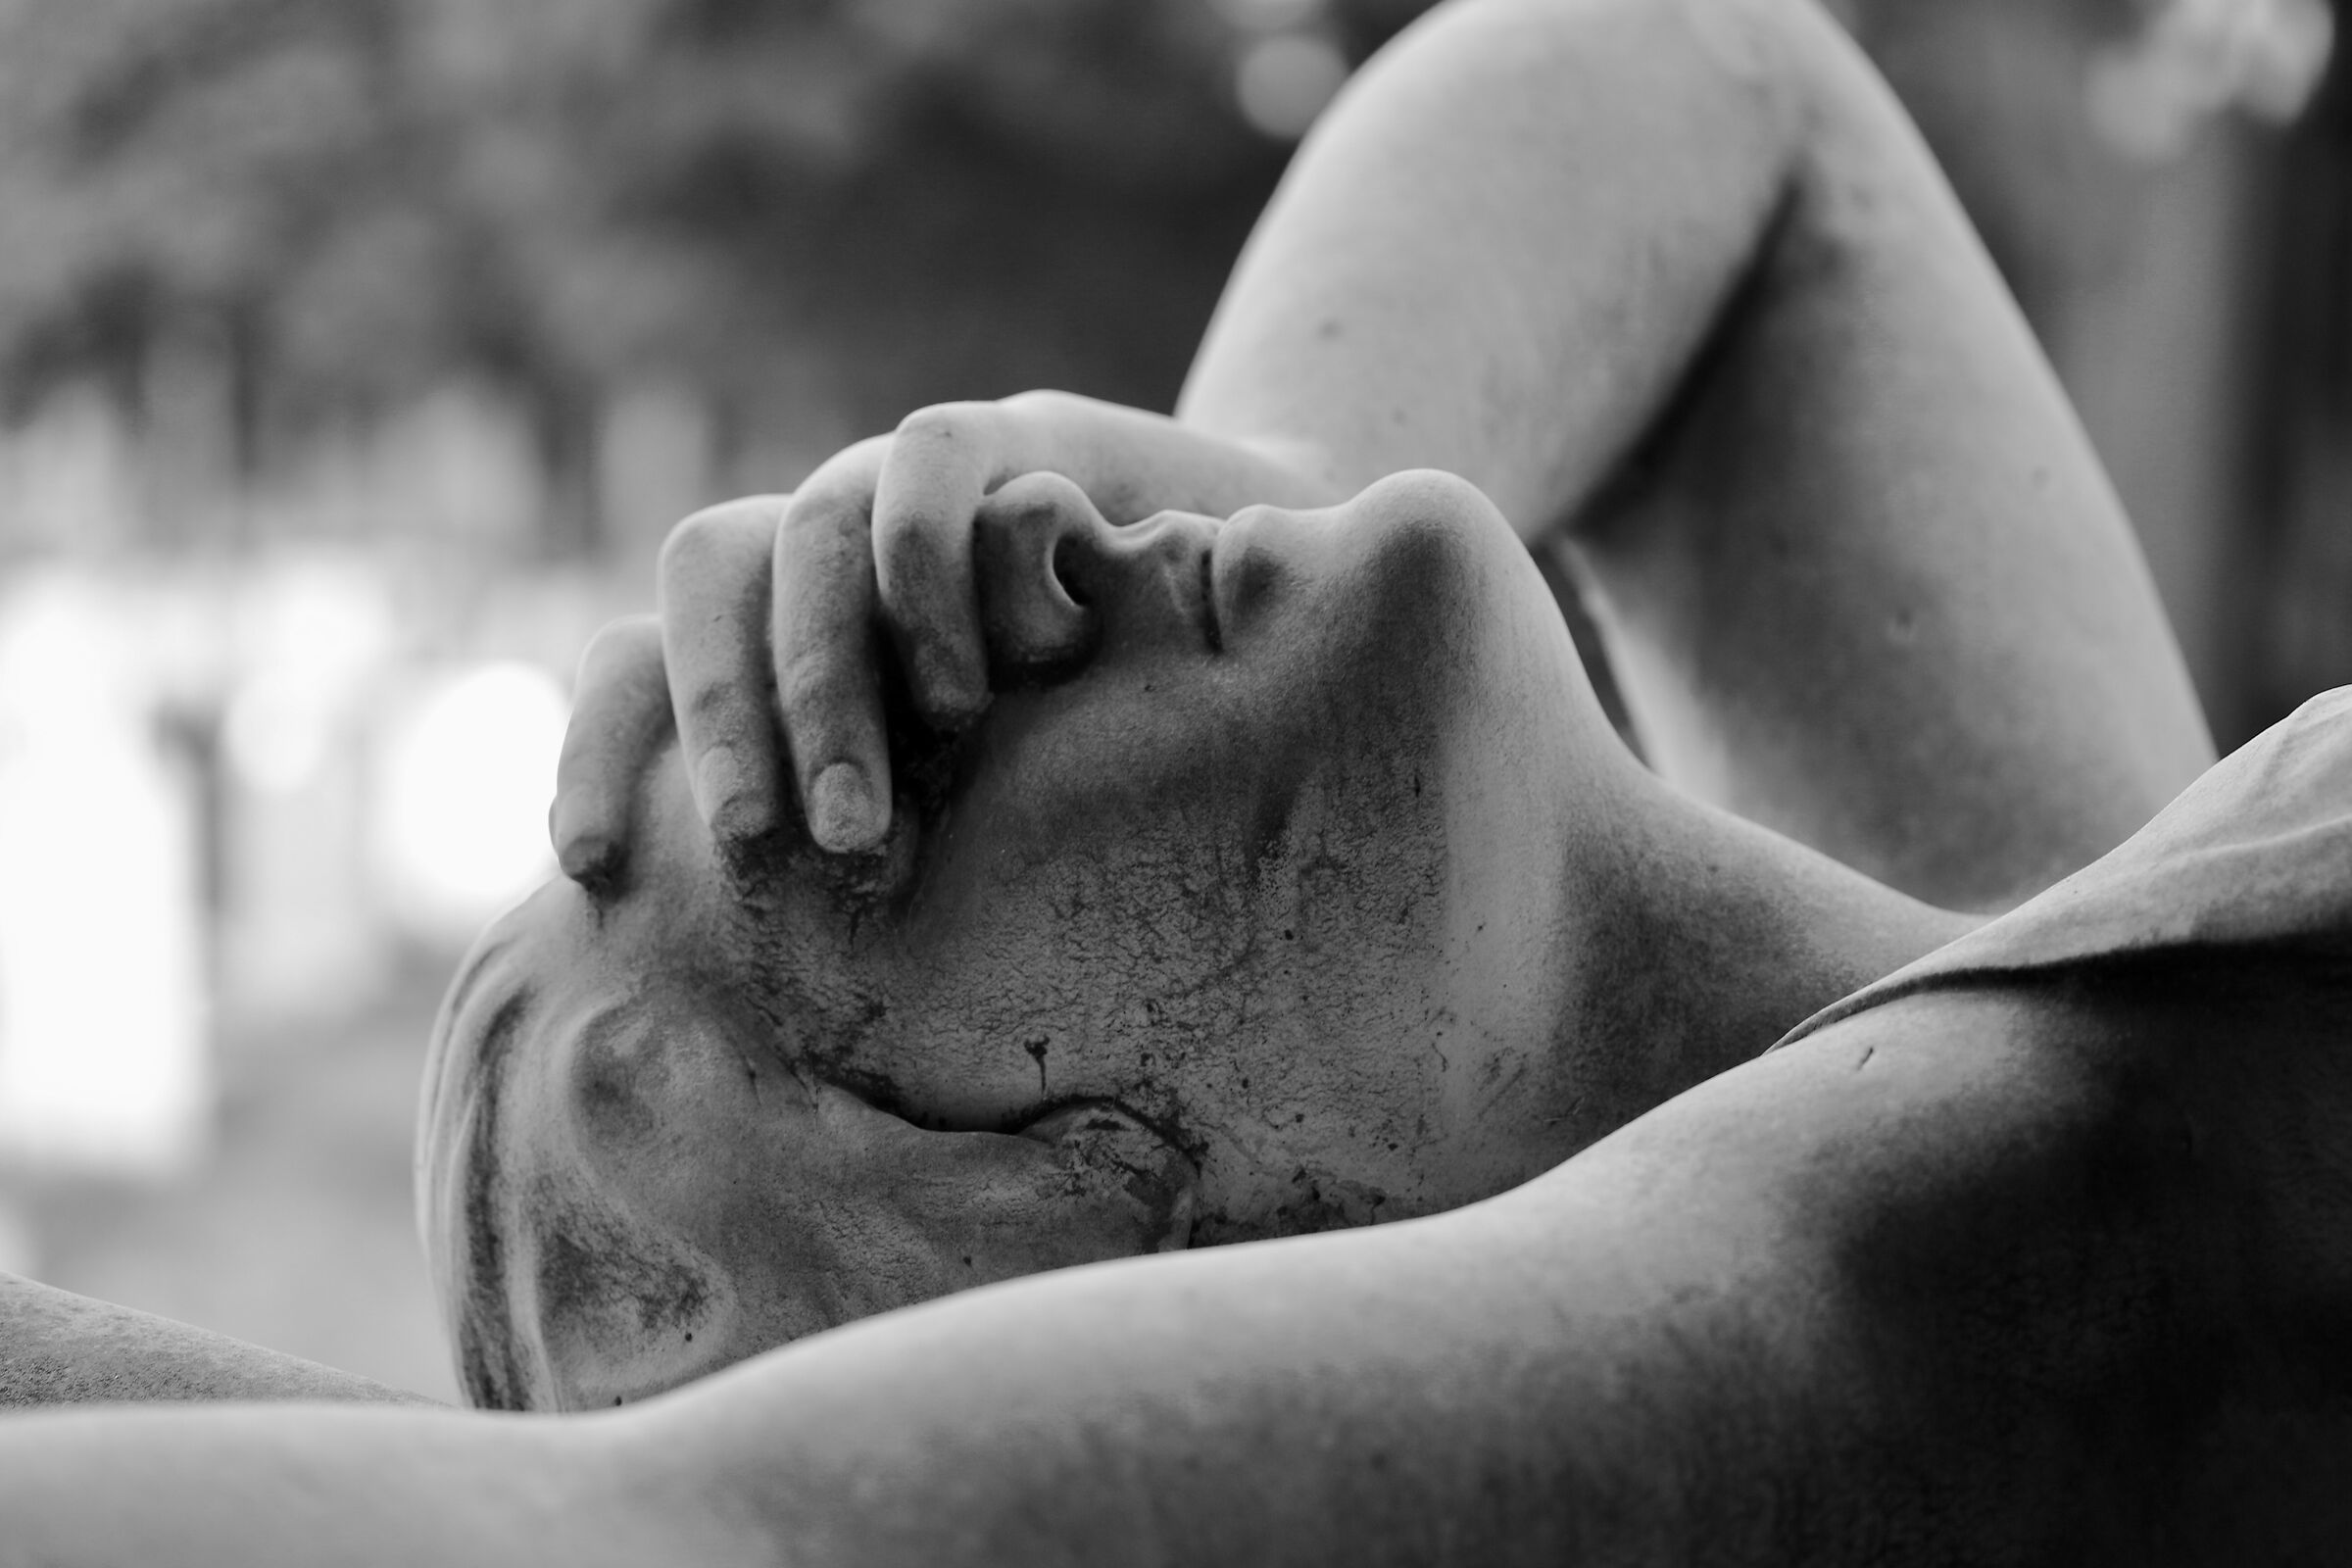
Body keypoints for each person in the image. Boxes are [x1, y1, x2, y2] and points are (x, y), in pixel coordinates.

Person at [4, 0, 2332, 1560]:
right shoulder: (2030, 1262)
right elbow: (699, 1540)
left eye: (884, 635)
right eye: (886, 788)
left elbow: (1709, 83)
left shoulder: (2079, 971)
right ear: (1117, 1287)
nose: (1004, 562)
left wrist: (1257, 467)